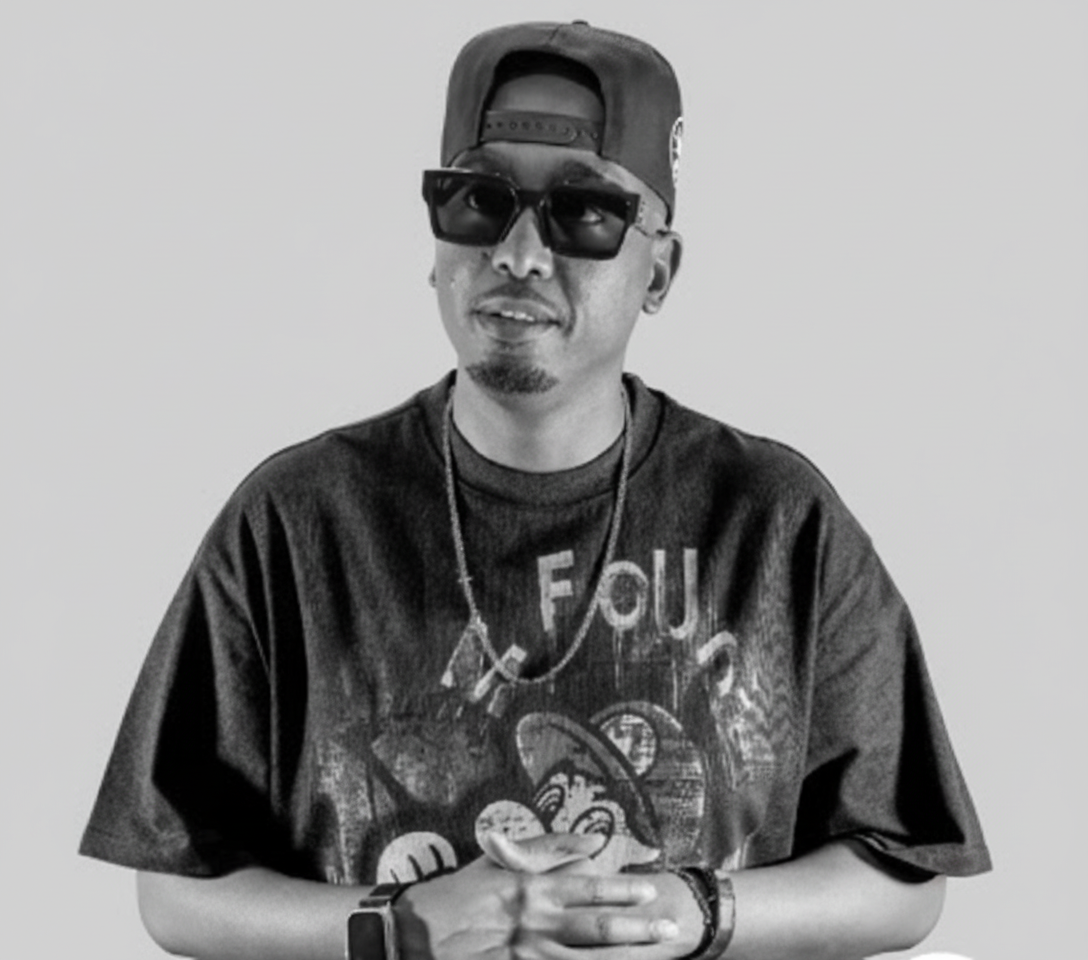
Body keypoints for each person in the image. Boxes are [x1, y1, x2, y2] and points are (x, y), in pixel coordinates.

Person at [81, 20, 990, 960]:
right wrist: (400, 926)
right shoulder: (296, 520)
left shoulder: (777, 522)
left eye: (584, 213)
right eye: (478, 201)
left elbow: (905, 881)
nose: (518, 252)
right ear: (435, 239)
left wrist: (686, 913)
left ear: (659, 271)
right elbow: (174, 892)